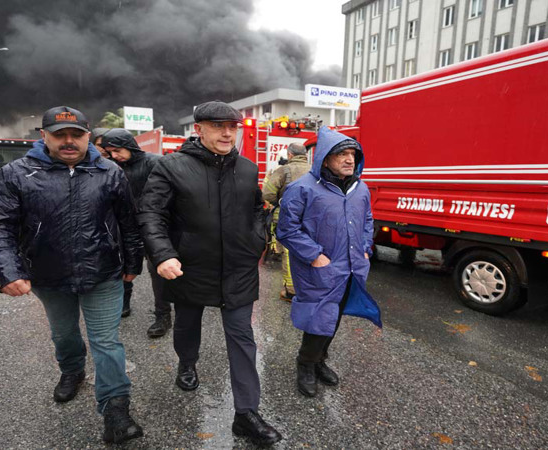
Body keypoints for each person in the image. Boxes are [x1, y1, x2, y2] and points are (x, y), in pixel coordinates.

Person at [0, 106, 145, 444]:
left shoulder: (110, 172)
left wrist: (132, 265)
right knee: (64, 334)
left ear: (88, 136)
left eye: (76, 134)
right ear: (44, 136)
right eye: (59, 134)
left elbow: (129, 223)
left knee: (106, 341)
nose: (69, 141)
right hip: (48, 276)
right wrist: (7, 271)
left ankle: (115, 407)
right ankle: (71, 370)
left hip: (103, 273)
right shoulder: (16, 173)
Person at [136, 101, 282, 446]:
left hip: (237, 269)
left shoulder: (247, 168)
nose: (228, 132)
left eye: (233, 126)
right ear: (198, 129)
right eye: (218, 126)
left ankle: (246, 413)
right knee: (187, 324)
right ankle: (187, 363)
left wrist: (256, 238)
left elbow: (256, 209)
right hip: (188, 267)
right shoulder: (171, 167)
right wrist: (163, 254)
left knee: (242, 338)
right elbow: (151, 214)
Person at [276, 127, 382, 398]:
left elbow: (367, 220)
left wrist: (365, 248)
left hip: (352, 267)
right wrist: (315, 256)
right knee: (317, 318)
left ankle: (320, 360)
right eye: (342, 154)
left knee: (333, 317)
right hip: (319, 269)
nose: (349, 159)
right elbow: (287, 229)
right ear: (325, 158)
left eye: (353, 154)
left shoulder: (361, 188)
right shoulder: (302, 189)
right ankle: (306, 364)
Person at [101, 128, 173, 336]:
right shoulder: (113, 167)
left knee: (157, 271)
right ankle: (123, 305)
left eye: (117, 150)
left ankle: (163, 316)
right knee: (123, 266)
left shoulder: (155, 162)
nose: (114, 156)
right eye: (109, 152)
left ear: (129, 144)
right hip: (125, 226)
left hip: (154, 226)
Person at [262, 142, 310, 301]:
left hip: (288, 217)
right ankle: (308, 287)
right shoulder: (315, 171)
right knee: (311, 250)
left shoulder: (283, 171)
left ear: (290, 155)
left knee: (289, 252)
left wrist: (280, 202)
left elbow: (267, 194)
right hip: (311, 218)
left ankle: (291, 290)